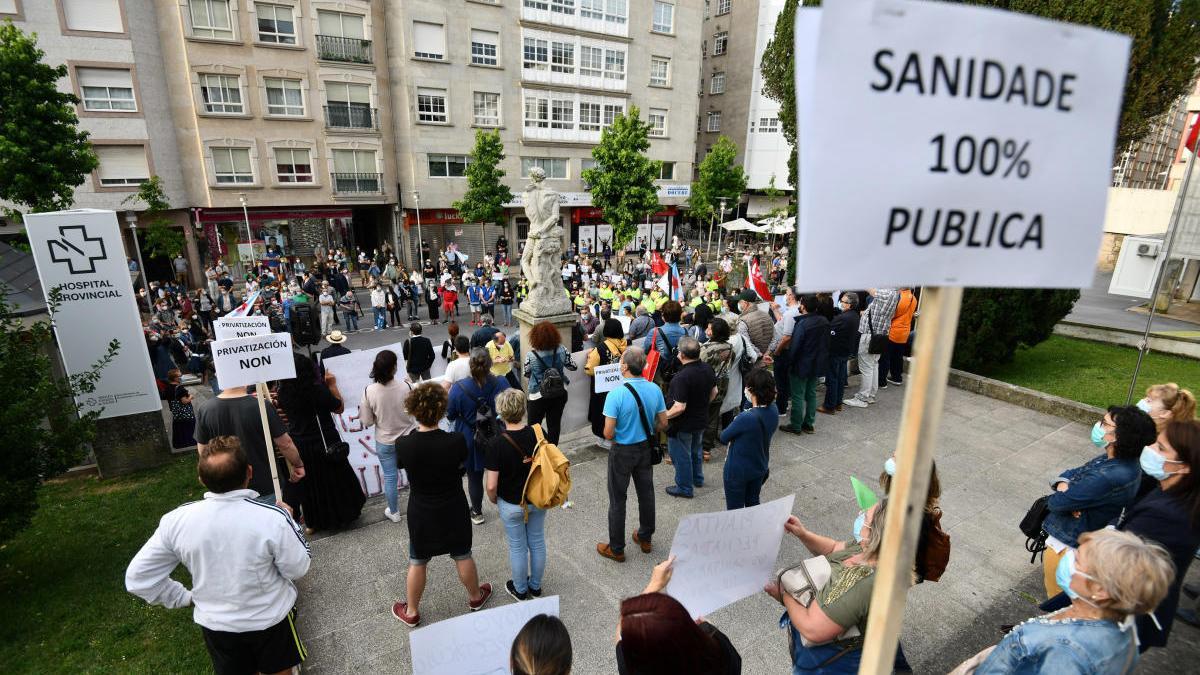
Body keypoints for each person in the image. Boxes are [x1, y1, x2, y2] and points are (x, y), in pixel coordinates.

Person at [125, 437, 311, 675]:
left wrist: (184, 597)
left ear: (201, 479)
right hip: (270, 619)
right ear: (250, 472)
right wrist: (292, 522)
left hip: (217, 626)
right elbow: (297, 568)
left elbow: (139, 577)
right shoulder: (273, 518)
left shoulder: (176, 521)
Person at [1040, 419, 1200, 650]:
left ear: (1184, 466)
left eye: (1161, 448)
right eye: (1156, 443)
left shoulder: (1167, 515)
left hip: (1120, 613)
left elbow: (1122, 572)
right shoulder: (1171, 493)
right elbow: (1128, 511)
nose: (1150, 450)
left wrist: (1069, 606)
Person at [965, 529, 1173, 674]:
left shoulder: (1066, 653)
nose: (1069, 558)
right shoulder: (1116, 624)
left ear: (1100, 590)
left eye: (1078, 560)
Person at [390, 382, 493, 627]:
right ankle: (475, 597)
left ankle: (412, 610)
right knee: (462, 554)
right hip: (453, 506)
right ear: (441, 410)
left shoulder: (404, 445)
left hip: (421, 510)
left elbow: (398, 465)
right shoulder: (456, 441)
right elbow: (461, 464)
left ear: (414, 411)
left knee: (418, 559)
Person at [1041, 405, 1156, 598]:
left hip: (1066, 548)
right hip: (1076, 541)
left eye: (1104, 423)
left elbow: (1056, 503)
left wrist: (1067, 493)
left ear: (1117, 436)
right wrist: (1066, 487)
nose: (1098, 426)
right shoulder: (1115, 460)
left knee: (1057, 600)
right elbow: (1070, 474)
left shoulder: (1108, 475)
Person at [764, 500, 891, 673]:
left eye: (866, 517)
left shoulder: (863, 581)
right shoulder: (866, 547)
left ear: (876, 532)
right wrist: (803, 534)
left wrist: (785, 594)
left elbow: (812, 629)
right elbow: (833, 549)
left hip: (835, 659)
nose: (860, 516)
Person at [275, 353, 365, 532]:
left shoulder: (283, 392)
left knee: (311, 485)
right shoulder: (317, 390)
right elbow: (338, 407)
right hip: (325, 441)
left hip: (300, 443)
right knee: (334, 481)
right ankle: (341, 517)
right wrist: (332, 385)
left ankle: (313, 522)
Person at [597, 347, 666, 563]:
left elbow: (608, 432)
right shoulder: (654, 389)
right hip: (645, 447)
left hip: (622, 451)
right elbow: (663, 422)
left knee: (618, 499)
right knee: (646, 493)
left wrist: (621, 436)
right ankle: (645, 537)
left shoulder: (615, 394)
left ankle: (616, 548)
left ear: (625, 366)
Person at [617, 556, 741, 674]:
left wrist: (654, 585)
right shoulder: (719, 651)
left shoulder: (630, 668)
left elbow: (622, 628)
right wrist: (706, 626)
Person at [486, 389, 549, 601]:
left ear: (501, 413)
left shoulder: (496, 444)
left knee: (517, 547)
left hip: (511, 503)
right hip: (538, 498)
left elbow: (492, 486)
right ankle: (536, 586)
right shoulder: (539, 433)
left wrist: (495, 500)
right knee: (537, 541)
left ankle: (520, 589)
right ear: (523, 410)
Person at [194, 383, 305, 504]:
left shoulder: (205, 408)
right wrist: (298, 464)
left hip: (225, 487)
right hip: (265, 484)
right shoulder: (261, 406)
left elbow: (204, 451)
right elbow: (285, 444)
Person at [448, 349, 511, 525]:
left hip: (470, 436)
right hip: (496, 434)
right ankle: (508, 507)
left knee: (474, 477)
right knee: (501, 473)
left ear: (471, 365)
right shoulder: (501, 382)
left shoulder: (458, 388)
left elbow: (450, 415)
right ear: (490, 363)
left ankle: (477, 512)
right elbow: (509, 410)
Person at [358, 350, 418, 523]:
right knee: (413, 473)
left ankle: (394, 512)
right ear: (394, 368)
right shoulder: (406, 386)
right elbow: (414, 410)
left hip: (385, 440)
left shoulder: (369, 390)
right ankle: (417, 505)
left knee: (390, 477)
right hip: (408, 437)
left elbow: (367, 421)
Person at [663, 336, 717, 499]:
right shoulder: (707, 368)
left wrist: (664, 416)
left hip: (682, 424)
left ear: (682, 355)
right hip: (701, 418)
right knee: (695, 450)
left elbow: (679, 407)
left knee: (681, 456)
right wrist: (701, 404)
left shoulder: (681, 377)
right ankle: (697, 479)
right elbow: (714, 392)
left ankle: (684, 487)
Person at [720, 368, 779, 510]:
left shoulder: (746, 418)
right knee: (753, 502)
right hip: (759, 466)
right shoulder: (773, 410)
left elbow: (723, 437)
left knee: (735, 510)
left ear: (751, 390)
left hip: (737, 471)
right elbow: (752, 407)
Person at [781, 295, 830, 435]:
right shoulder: (824, 320)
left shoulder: (802, 324)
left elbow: (795, 347)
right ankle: (809, 423)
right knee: (811, 394)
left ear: (803, 306)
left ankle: (796, 425)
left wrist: (789, 362)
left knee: (798, 395)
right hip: (816, 363)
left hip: (801, 365)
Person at [524, 320, 576, 444]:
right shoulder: (562, 349)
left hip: (537, 394)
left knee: (533, 425)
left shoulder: (531, 355)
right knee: (554, 424)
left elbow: (526, 373)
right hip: (559, 391)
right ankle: (553, 450)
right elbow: (572, 366)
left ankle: (539, 448)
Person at [845, 288, 897, 407]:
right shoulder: (894, 295)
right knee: (873, 365)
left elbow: (871, 290)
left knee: (867, 368)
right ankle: (870, 395)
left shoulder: (887, 293)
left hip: (870, 336)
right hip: (879, 336)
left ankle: (863, 398)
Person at [587, 318, 627, 449]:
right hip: (621, 385)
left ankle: (604, 438)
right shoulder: (626, 345)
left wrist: (589, 357)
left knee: (603, 411)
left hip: (603, 389)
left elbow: (590, 370)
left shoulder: (600, 349)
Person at [819, 293, 860, 414]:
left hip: (836, 351)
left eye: (843, 301)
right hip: (845, 351)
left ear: (849, 304)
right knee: (841, 378)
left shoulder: (843, 318)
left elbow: (830, 332)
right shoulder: (855, 316)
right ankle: (837, 403)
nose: (841, 302)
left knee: (832, 378)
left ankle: (829, 406)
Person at [165, 369, 196, 450]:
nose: (182, 377)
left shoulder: (168, 387)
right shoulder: (179, 388)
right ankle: (189, 442)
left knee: (178, 427)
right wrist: (190, 397)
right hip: (185, 412)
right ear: (175, 378)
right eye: (180, 376)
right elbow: (184, 401)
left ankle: (179, 444)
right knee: (189, 426)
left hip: (176, 411)